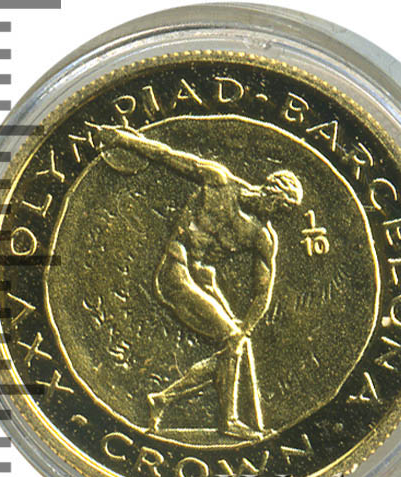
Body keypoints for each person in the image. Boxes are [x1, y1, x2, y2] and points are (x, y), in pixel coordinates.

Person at [92, 123, 303, 440]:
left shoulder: (263, 236)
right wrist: (122, 139)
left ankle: (163, 400)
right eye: (280, 204)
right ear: (271, 190)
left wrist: (247, 327)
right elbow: (165, 155)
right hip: (175, 270)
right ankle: (226, 420)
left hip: (203, 279)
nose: (278, 212)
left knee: (234, 344)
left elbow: (263, 291)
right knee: (231, 340)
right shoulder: (218, 180)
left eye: (284, 211)